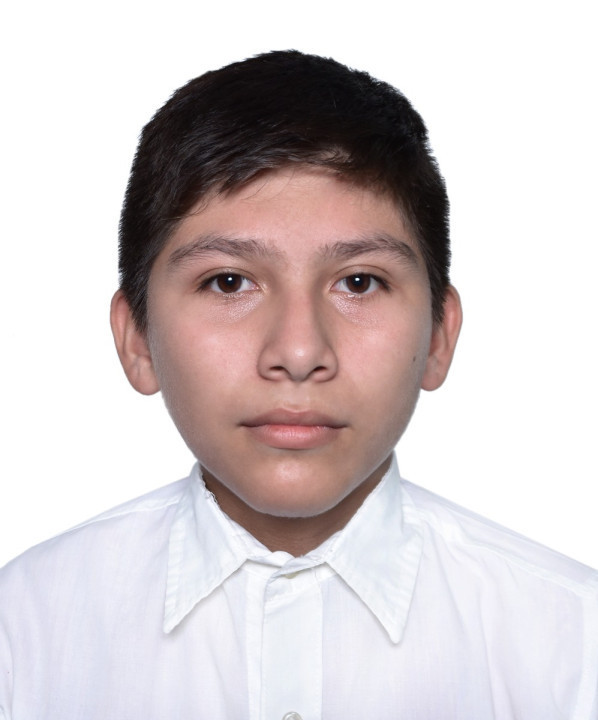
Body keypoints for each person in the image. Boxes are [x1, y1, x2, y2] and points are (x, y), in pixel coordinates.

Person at [0, 50, 596, 720]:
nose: (299, 352)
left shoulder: (572, 646)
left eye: (359, 282)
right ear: (137, 337)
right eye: (228, 281)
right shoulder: (23, 631)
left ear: (438, 334)